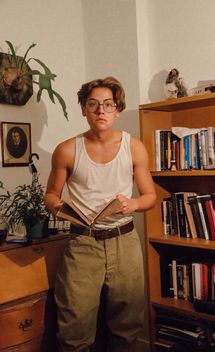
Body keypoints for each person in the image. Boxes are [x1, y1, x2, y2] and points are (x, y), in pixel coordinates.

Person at [44, 76, 156, 352]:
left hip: (125, 241)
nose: (100, 111)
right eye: (93, 104)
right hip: (83, 244)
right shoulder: (67, 150)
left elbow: (150, 196)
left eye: (108, 105)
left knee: (127, 328)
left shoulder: (134, 147)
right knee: (74, 329)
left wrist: (133, 204)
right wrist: (60, 208)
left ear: (118, 110)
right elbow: (50, 195)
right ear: (83, 109)